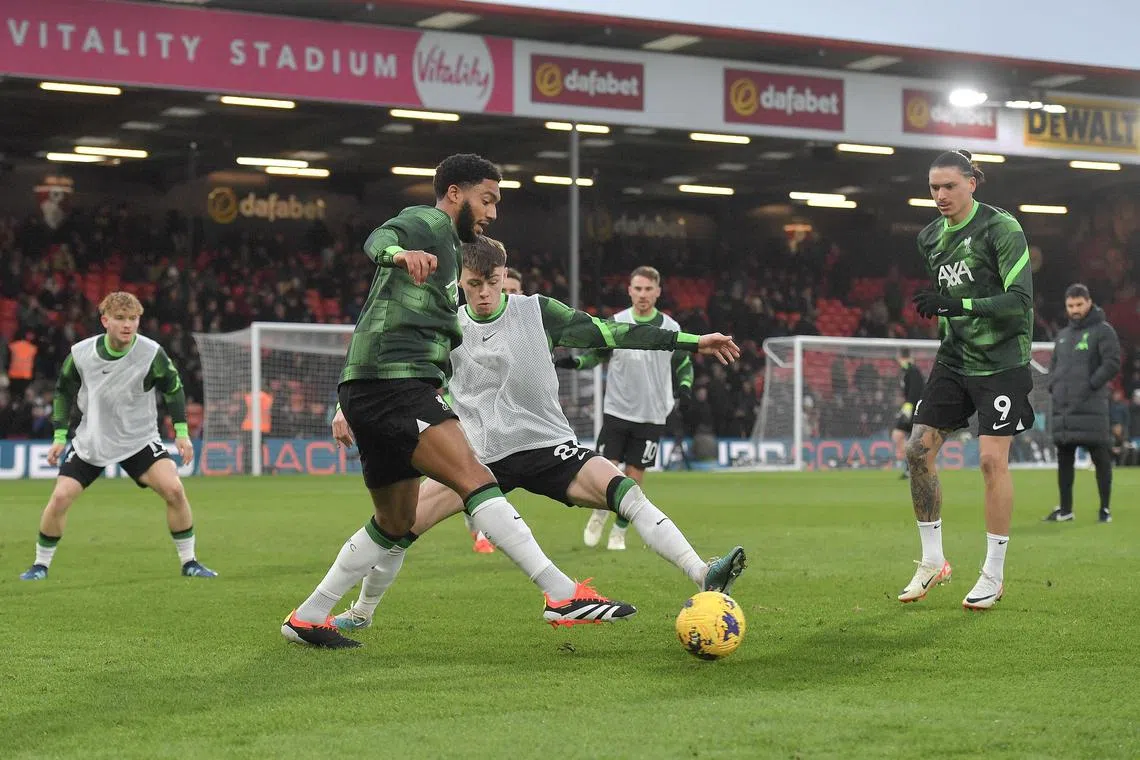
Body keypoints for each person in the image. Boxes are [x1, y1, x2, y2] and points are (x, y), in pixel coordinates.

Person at [281, 154, 626, 649]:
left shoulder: (450, 254)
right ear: (456, 193)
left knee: (395, 522)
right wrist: (396, 255)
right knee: (477, 480)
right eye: (487, 199)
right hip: (395, 385)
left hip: (371, 388)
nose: (492, 211)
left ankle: (309, 616)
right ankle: (561, 593)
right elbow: (378, 238)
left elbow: (388, 317)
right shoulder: (430, 222)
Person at [332, 236, 746, 631]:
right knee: (397, 527)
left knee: (627, 493)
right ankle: (361, 612)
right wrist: (343, 407)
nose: (483, 293)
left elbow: (611, 332)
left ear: (504, 274)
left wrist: (692, 342)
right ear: (459, 280)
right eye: (473, 285)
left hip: (546, 445)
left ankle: (701, 571)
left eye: (492, 282)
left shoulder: (537, 312)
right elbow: (390, 372)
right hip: (476, 460)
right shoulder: (445, 324)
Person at [899, 149, 1035, 611]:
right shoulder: (929, 239)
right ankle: (933, 560)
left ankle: (993, 574)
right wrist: (945, 310)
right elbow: (948, 300)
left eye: (949, 186)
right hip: (954, 358)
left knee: (991, 463)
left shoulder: (1002, 229)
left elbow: (1019, 300)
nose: (940, 195)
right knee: (917, 450)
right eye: (934, 187)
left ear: (972, 183)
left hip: (1002, 361)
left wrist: (961, 306)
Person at [18, 292, 216, 581]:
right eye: (121, 319)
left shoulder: (151, 353)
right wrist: (60, 435)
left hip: (138, 440)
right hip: (93, 440)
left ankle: (190, 562)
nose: (127, 325)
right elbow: (63, 391)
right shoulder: (81, 354)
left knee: (174, 489)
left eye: (133, 319)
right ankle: (40, 565)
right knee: (60, 498)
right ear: (105, 320)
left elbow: (173, 388)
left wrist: (182, 433)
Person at [558, 266, 692, 551]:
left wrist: (684, 386)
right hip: (618, 410)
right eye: (638, 289)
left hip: (653, 413)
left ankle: (619, 531)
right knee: (607, 469)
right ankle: (600, 511)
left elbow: (683, 363)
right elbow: (597, 356)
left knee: (636, 474)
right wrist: (577, 363)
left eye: (648, 289)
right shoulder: (617, 322)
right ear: (630, 290)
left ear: (658, 291)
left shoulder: (670, 328)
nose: (643, 294)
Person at [1043, 283, 1120, 523]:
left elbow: (1112, 363)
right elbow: (1054, 366)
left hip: (1091, 409)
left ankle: (1104, 509)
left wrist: (1089, 385)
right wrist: (1053, 385)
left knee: (1101, 459)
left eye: (1078, 304)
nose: (1074, 309)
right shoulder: (1063, 336)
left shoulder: (1103, 330)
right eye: (1070, 305)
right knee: (1064, 460)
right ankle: (1066, 510)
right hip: (1064, 410)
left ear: (1088, 302)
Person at [891, 348, 925, 479]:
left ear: (900, 356)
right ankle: (909, 465)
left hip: (915, 410)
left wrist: (909, 408)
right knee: (898, 435)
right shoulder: (906, 371)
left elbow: (916, 392)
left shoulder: (913, 371)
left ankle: (911, 466)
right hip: (909, 409)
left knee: (908, 439)